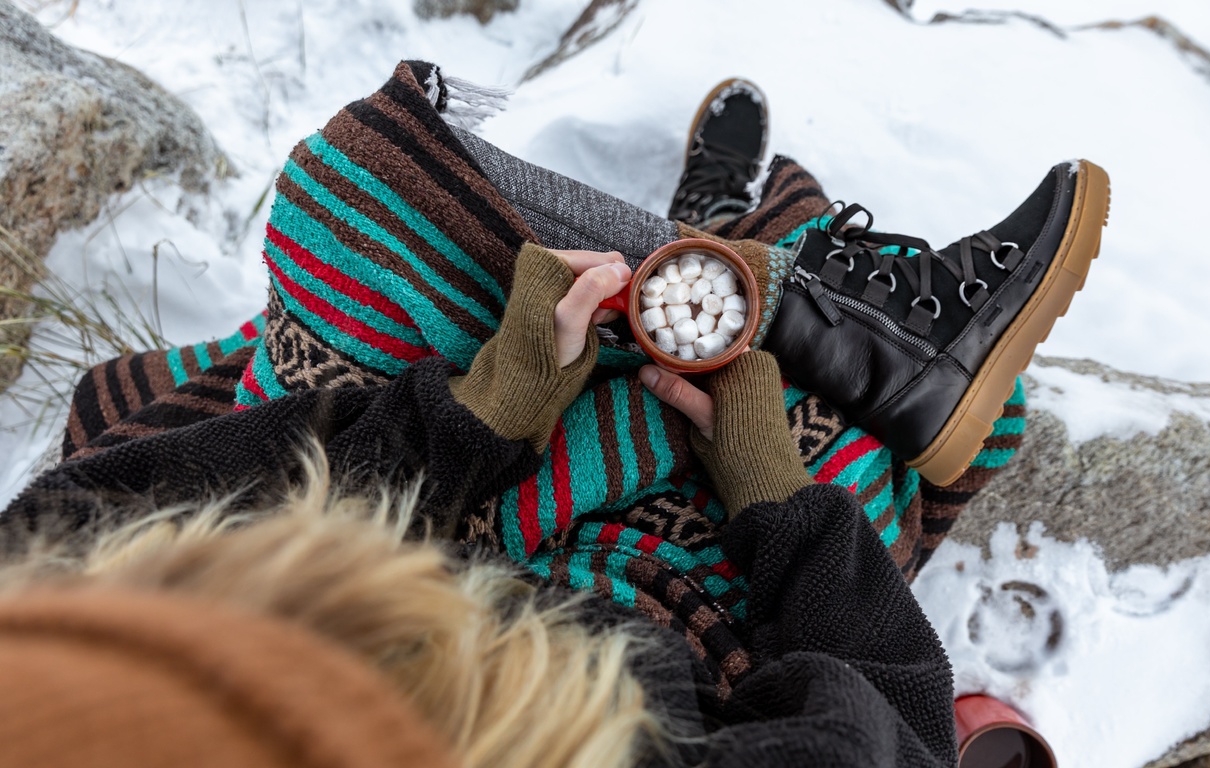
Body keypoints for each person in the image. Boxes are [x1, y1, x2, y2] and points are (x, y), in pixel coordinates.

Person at [0, 63, 1108, 767]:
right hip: (691, 592)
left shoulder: (64, 699)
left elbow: (75, 524)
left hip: (379, 503)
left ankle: (730, 253)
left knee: (358, 183)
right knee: (841, 429)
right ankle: (781, 283)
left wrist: (467, 419)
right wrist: (785, 503)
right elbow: (885, 720)